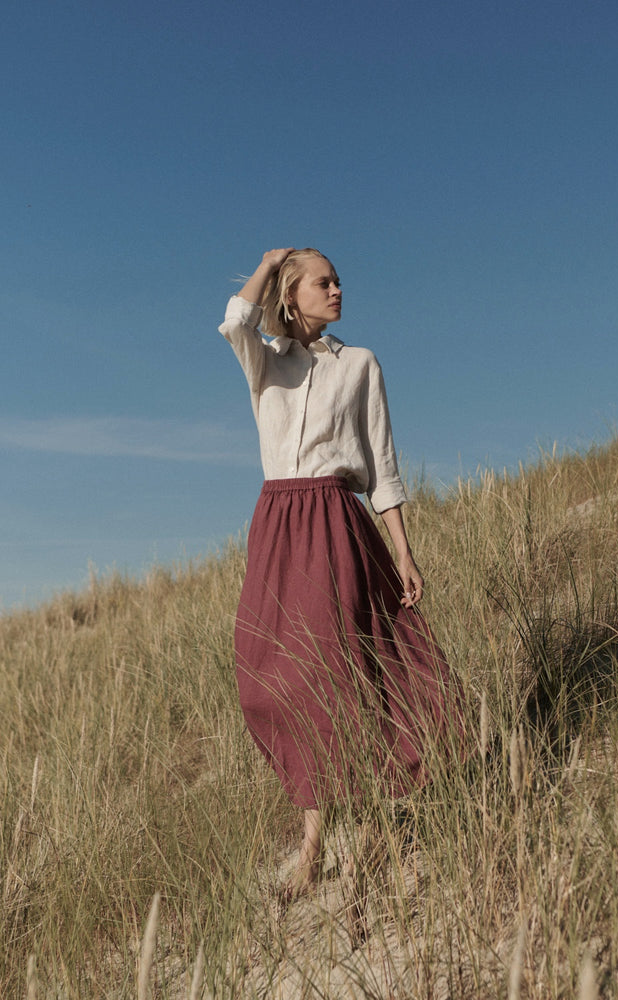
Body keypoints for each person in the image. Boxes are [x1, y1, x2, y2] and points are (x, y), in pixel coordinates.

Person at [219, 248, 458, 898]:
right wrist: (270, 264)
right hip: (275, 525)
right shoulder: (264, 363)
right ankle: (327, 827)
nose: (339, 289)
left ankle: (316, 845)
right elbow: (234, 320)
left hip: (332, 519)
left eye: (339, 280)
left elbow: (381, 461)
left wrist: (403, 550)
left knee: (327, 673)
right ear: (292, 295)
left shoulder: (359, 365)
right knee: (265, 680)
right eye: (324, 281)